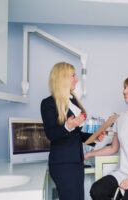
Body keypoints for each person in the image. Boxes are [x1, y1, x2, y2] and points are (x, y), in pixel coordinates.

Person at [41, 62, 91, 200]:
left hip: (76, 162)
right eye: (73, 75)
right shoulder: (48, 103)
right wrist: (68, 126)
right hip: (63, 164)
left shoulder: (73, 101)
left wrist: (94, 138)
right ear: (62, 78)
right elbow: (51, 134)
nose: (76, 79)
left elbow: (76, 135)